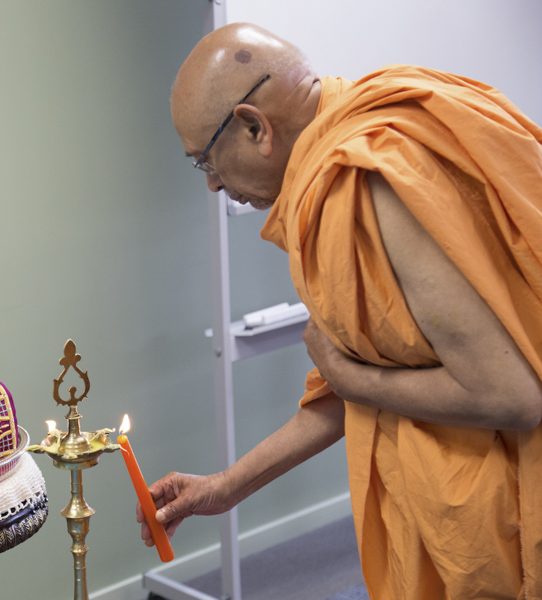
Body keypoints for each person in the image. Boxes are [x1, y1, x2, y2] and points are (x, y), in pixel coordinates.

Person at [143, 22, 542, 599]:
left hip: (500, 510)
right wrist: (225, 487)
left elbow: (509, 395)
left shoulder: (369, 177)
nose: (213, 186)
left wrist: (351, 377)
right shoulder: (378, 114)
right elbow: (353, 386)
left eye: (206, 162)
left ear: (255, 127)